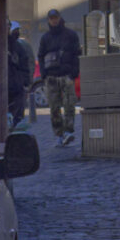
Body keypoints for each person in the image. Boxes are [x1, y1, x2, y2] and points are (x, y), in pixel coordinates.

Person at [36, 8, 83, 146]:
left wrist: (74, 72)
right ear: (49, 20)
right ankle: (59, 134)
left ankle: (68, 132)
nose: (54, 20)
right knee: (54, 108)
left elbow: (77, 54)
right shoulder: (45, 38)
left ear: (60, 18)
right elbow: (40, 55)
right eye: (51, 18)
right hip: (51, 77)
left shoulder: (70, 35)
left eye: (55, 17)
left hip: (66, 75)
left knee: (69, 105)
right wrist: (44, 74)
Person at [6, 21, 34, 130]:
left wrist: (25, 83)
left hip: (16, 88)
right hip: (3, 89)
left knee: (17, 118)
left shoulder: (19, 46)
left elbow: (27, 64)